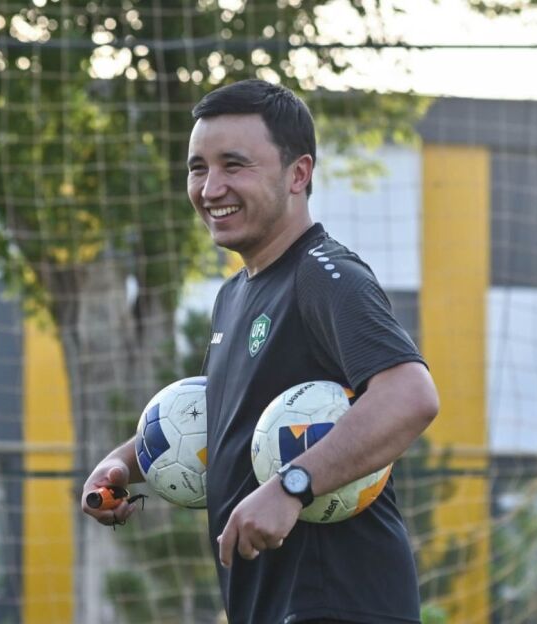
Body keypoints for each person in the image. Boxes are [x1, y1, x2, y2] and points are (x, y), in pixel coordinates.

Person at [82, 79, 439, 624]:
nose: (211, 188)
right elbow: (222, 417)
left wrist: (292, 487)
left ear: (298, 174)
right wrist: (121, 464)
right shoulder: (234, 295)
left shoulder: (327, 275)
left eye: (234, 165)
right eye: (198, 168)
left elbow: (410, 396)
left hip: (340, 603)